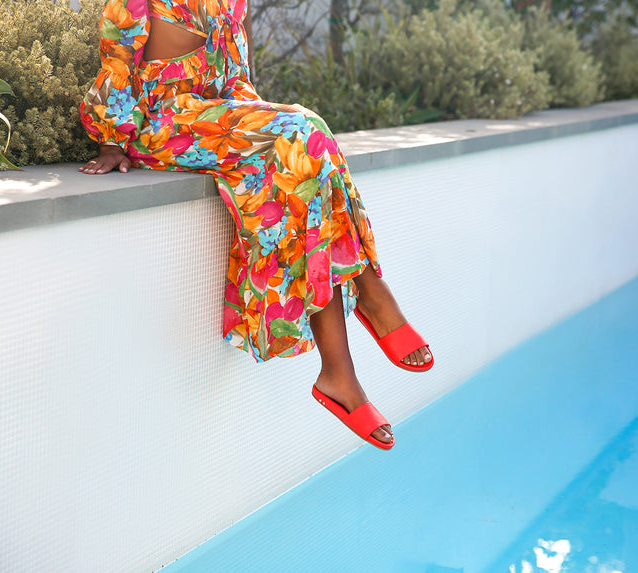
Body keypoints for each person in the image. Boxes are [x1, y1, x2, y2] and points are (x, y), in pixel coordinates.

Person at [79, 0, 432, 449]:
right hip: (162, 125)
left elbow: (235, 82)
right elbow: (117, 69)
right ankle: (371, 294)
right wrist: (112, 142)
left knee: (303, 147)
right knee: (302, 130)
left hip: (217, 120)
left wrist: (262, 123)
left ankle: (338, 372)